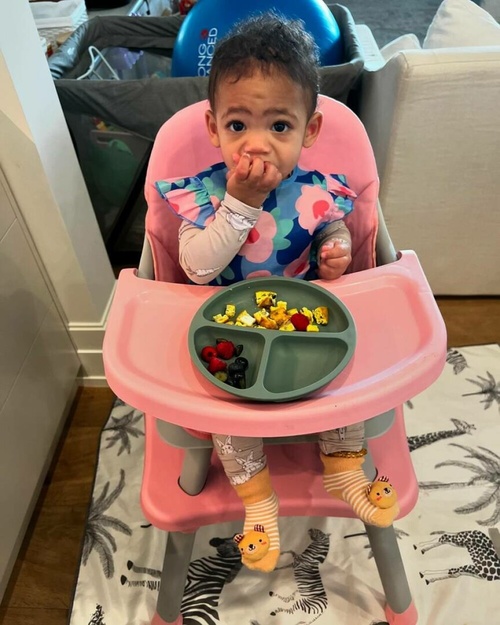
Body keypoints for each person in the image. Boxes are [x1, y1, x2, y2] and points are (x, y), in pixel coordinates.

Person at [155, 12, 399, 573]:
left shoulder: (316, 192)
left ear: (309, 131)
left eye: (280, 127)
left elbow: (331, 228)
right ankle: (257, 498)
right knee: (224, 414)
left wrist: (336, 249)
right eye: (238, 125)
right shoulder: (203, 196)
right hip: (226, 328)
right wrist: (239, 204)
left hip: (301, 323)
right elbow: (197, 268)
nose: (257, 145)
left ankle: (344, 469)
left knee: (343, 388)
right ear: (213, 127)